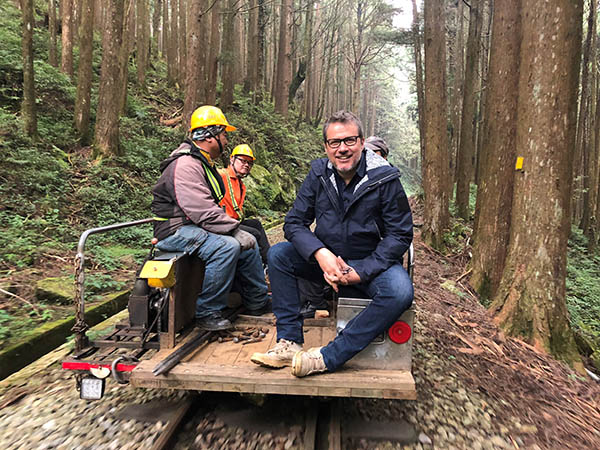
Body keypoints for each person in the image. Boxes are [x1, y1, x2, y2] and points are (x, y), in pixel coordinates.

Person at [251, 110, 413, 377]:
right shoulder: (319, 174)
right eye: (334, 142)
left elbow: (399, 235)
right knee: (279, 255)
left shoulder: (385, 179)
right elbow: (294, 222)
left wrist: (361, 271)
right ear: (326, 146)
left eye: (349, 140)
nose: (342, 149)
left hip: (370, 263)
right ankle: (289, 341)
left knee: (399, 292)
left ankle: (329, 356)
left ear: (361, 142)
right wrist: (320, 253)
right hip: (327, 262)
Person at [151, 105, 271, 331]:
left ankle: (257, 301)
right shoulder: (186, 165)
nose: (226, 140)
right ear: (209, 136)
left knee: (249, 243)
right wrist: (233, 230)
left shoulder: (202, 163)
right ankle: (207, 311)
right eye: (224, 134)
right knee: (226, 247)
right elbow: (201, 209)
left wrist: (238, 231)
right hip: (175, 230)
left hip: (194, 226)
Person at [219, 144, 271, 268]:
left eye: (249, 163)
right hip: (222, 224)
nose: (246, 165)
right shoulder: (221, 175)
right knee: (254, 233)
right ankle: (257, 267)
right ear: (232, 159)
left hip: (235, 221)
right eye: (242, 161)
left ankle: (269, 262)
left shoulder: (240, 184)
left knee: (256, 224)